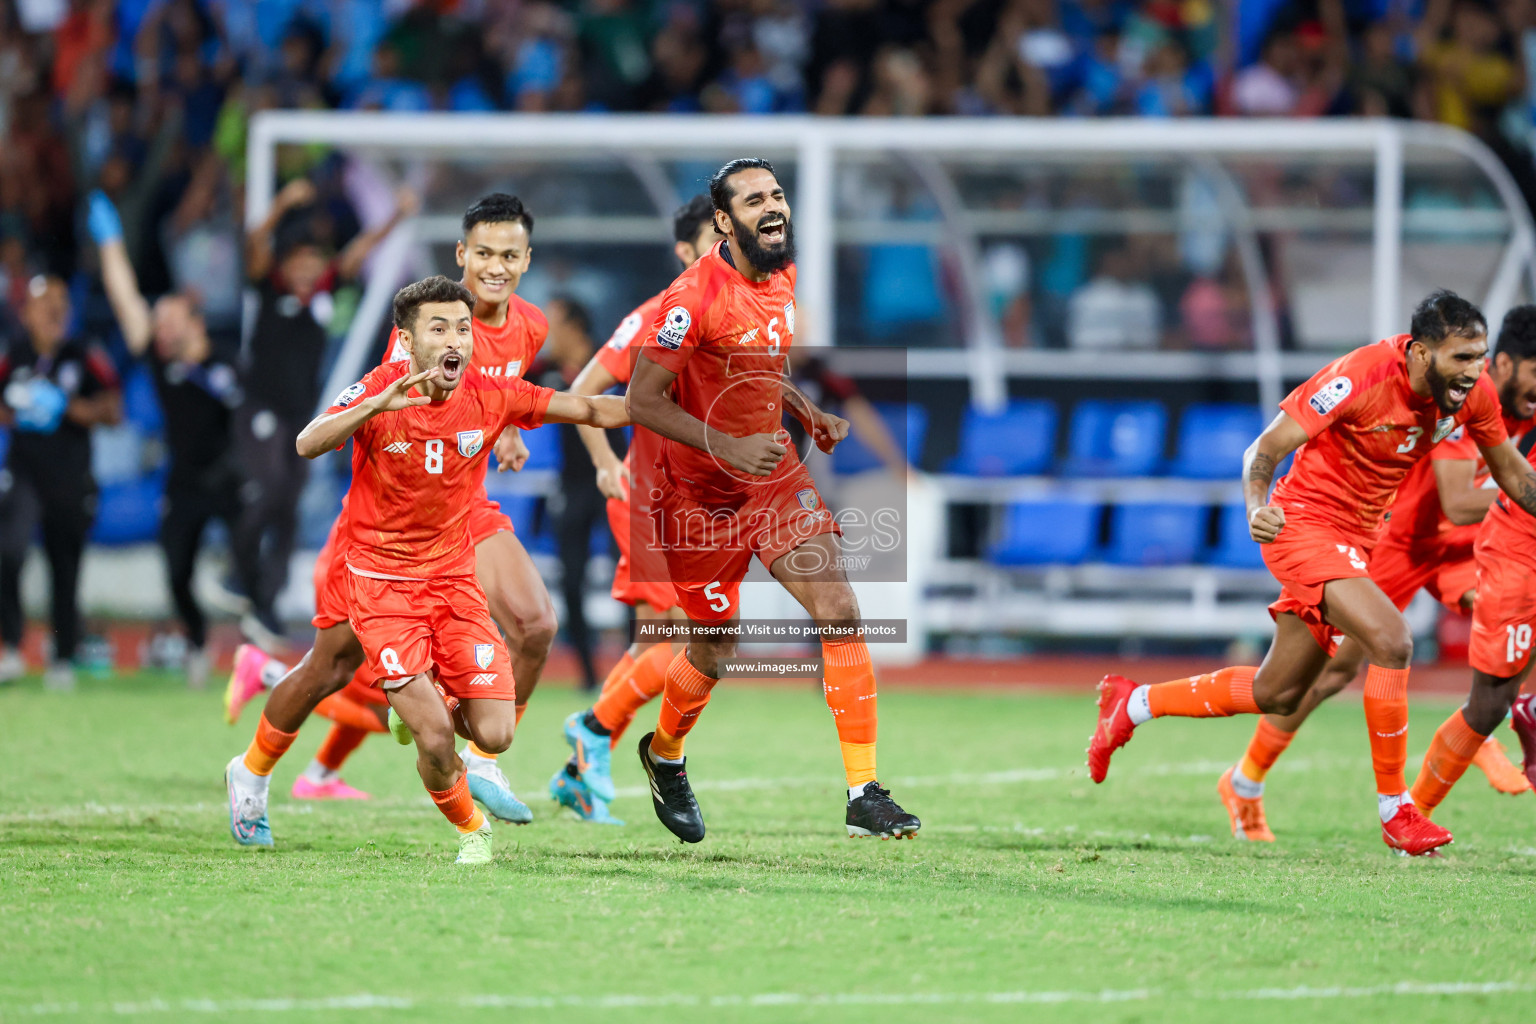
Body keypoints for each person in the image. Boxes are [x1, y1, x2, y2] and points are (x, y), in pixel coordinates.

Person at [1087, 290, 1536, 857]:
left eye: (1480, 356)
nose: (1474, 372)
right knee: (1392, 641)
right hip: (1302, 525)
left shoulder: (1474, 398)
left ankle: (1131, 705)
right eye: (1461, 359)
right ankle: (1397, 809)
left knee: (1278, 691)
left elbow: (1514, 476)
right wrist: (1256, 508)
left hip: (1362, 539)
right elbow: (1263, 450)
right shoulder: (1359, 376)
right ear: (1421, 354)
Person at [222, 275, 628, 859]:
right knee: (329, 670)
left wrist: (675, 408)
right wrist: (373, 405)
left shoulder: (506, 359)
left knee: (511, 679)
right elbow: (309, 442)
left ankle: (447, 718)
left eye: (463, 328)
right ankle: (253, 773)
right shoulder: (390, 379)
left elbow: (580, 405)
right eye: (440, 328)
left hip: (451, 556)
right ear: (408, 340)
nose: (456, 337)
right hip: (375, 565)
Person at [223, 192, 557, 817]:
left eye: (509, 255)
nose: (495, 266)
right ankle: (254, 768)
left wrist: (506, 430)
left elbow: (498, 398)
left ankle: (485, 759)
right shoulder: (423, 332)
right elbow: (391, 421)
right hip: (387, 530)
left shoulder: (530, 327)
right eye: (483, 252)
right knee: (332, 666)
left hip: (462, 513)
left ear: (526, 259)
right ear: (462, 255)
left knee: (536, 624)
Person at [624, 157, 921, 843]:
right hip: (696, 497)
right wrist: (725, 447)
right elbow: (641, 400)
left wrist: (801, 406)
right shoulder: (689, 300)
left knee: (841, 609)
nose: (773, 206)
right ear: (723, 222)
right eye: (754, 199)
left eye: (778, 194)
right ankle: (665, 755)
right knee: (713, 647)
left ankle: (864, 793)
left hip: (773, 477)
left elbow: (756, 363)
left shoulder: (783, 277)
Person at [1216, 304, 1536, 842]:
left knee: (1511, 620)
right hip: (1396, 542)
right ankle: (1246, 779)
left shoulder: (1504, 405)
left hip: (1458, 551)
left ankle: (1486, 724)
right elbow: (1459, 500)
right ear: (1505, 364)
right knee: (1333, 672)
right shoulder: (1451, 396)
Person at [551, 194, 718, 824]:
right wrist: (602, 461)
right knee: (687, 638)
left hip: (701, 507)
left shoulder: (732, 316)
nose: (726, 250)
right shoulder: (657, 315)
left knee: (675, 640)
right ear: (684, 251)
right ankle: (593, 729)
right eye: (713, 239)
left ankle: (583, 758)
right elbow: (582, 392)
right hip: (651, 500)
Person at [231, 177, 417, 649]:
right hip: (260, 407)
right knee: (271, 486)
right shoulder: (269, 287)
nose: (309, 270)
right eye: (301, 261)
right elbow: (253, 243)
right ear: (286, 262)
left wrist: (396, 217)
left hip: (300, 414)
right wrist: (280, 204)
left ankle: (265, 602)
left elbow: (357, 252)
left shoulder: (327, 290)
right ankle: (237, 570)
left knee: (289, 504)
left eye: (315, 262)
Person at [91, 191, 242, 691]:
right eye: (158, 323)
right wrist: (111, 243)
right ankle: (198, 644)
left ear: (192, 322)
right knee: (176, 569)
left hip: (229, 476)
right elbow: (124, 298)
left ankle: (260, 657)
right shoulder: (159, 356)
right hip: (183, 479)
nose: (159, 327)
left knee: (249, 565)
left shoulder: (225, 359)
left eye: (169, 320)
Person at [0, 275, 122, 690]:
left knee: (64, 567)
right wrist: (19, 409)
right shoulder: (13, 355)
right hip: (23, 472)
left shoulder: (84, 354)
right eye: (44, 302)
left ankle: (63, 656)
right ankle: (13, 648)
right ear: (26, 312)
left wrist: (68, 407)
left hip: (70, 478)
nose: (54, 310)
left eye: (60, 302)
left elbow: (113, 410)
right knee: (9, 551)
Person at [533, 295, 605, 693]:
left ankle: (640, 667)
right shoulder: (544, 371)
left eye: (553, 323)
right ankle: (589, 676)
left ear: (574, 327)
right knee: (571, 581)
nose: (546, 333)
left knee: (631, 581)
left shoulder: (608, 362)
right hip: (572, 487)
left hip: (615, 482)